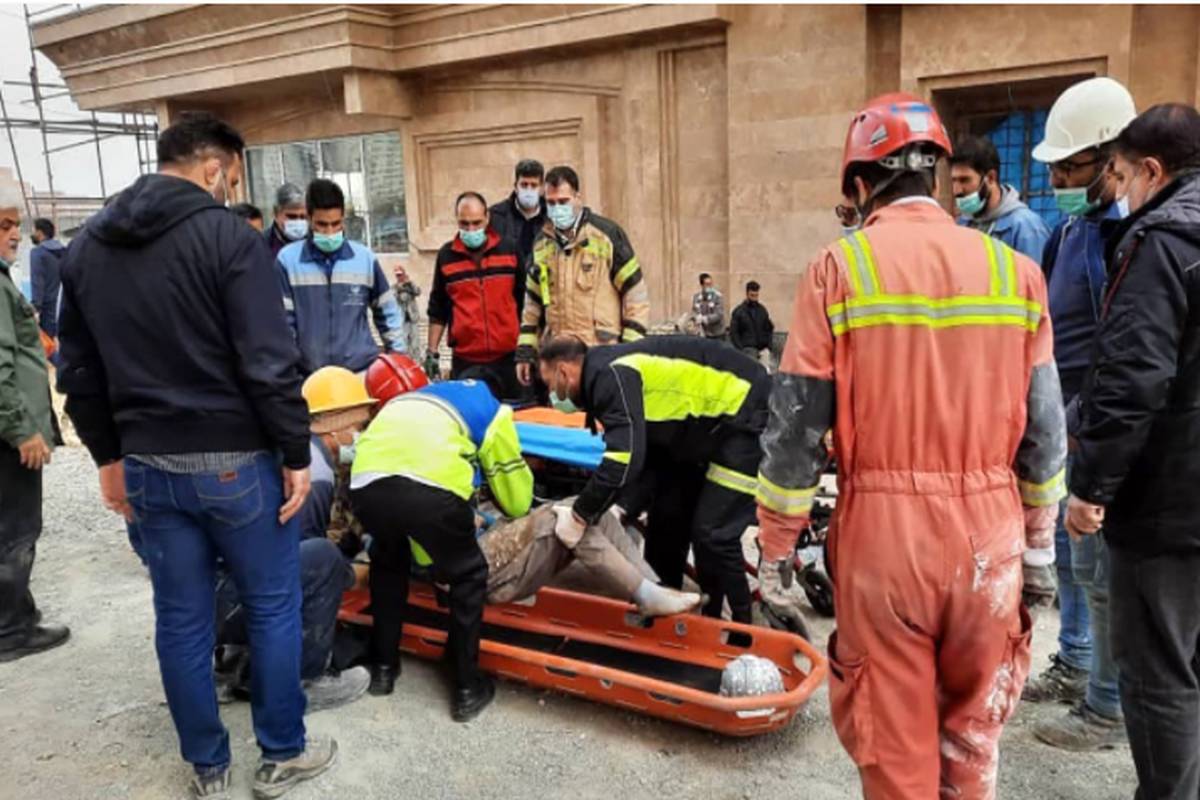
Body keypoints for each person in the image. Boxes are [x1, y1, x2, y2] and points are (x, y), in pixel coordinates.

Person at [756, 93, 1066, 797]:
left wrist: (776, 549)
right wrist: (1039, 548)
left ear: (861, 183)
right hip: (989, 538)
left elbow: (797, 428)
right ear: (935, 175)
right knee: (973, 742)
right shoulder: (1014, 272)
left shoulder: (838, 269)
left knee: (895, 749)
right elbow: (1046, 430)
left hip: (886, 542)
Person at [56, 111, 336, 799]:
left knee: (181, 619)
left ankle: (208, 766)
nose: (231, 188)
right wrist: (295, 450)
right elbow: (268, 362)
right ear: (214, 168)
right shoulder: (229, 240)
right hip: (237, 462)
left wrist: (106, 457)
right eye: (233, 177)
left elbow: (79, 371)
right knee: (271, 606)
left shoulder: (88, 247)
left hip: (148, 465)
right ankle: (282, 752)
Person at [1066, 103, 1200, 800]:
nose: (1116, 189)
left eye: (1118, 174)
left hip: (1168, 503)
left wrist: (1091, 487)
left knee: (1157, 675)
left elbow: (1132, 378)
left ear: (1152, 169)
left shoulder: (1163, 242)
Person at [1023, 76, 1136, 752]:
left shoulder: (1130, 238)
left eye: (1069, 166)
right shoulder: (1071, 230)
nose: (1059, 179)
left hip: (1098, 422)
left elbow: (1123, 347)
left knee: (1102, 571)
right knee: (1070, 557)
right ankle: (1075, 662)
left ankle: (1107, 706)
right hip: (1066, 419)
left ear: (1110, 157)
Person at [536, 335, 771, 625]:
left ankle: (741, 626)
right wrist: (622, 506)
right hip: (698, 434)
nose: (552, 394)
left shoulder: (610, 376)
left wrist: (580, 514)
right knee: (666, 518)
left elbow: (624, 458)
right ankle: (666, 606)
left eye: (549, 384)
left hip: (745, 415)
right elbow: (649, 451)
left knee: (713, 533)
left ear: (563, 371)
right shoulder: (606, 373)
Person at [349, 357, 532, 720]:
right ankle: (466, 687)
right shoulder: (492, 409)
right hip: (429, 491)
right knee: (468, 574)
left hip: (366, 483)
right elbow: (517, 500)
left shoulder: (416, 399)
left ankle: (383, 668)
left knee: (388, 561)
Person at [213, 366, 375, 713]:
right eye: (360, 426)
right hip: (231, 603)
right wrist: (353, 574)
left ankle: (234, 662)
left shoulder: (283, 445)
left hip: (209, 595)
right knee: (325, 561)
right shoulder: (314, 474)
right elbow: (296, 568)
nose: (361, 435)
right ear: (337, 424)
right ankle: (304, 679)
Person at [0, 185, 68, 664]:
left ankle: (18, 615)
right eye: (3, 225)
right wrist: (22, 428)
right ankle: (9, 629)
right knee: (16, 529)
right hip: (9, 435)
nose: (14, 235)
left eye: (16, 225)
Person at [515, 166, 650, 387]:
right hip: (560, 360)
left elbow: (635, 295)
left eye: (563, 201)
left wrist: (629, 349)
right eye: (551, 203)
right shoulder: (541, 245)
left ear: (578, 197)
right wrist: (525, 351)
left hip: (602, 356)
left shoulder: (606, 236)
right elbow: (532, 306)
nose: (557, 209)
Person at [276, 178, 408, 374]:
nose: (330, 232)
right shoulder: (288, 261)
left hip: (360, 374)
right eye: (322, 224)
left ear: (343, 219)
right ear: (309, 218)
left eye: (335, 223)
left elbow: (388, 312)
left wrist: (399, 360)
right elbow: (284, 326)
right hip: (311, 378)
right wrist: (289, 374)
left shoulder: (364, 259)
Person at [426, 192, 522, 400]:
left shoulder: (510, 250)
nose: (471, 230)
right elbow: (438, 309)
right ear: (457, 220)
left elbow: (525, 303)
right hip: (466, 361)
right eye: (464, 224)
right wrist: (432, 352)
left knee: (515, 413)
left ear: (487, 218)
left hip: (509, 359)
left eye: (476, 223)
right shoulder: (446, 256)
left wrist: (529, 348)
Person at [951, 134, 1052, 263]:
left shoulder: (1027, 229)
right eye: (953, 180)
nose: (957, 190)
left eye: (964, 180)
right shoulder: (962, 224)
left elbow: (1036, 275)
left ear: (991, 178)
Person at [489, 158, 547, 272]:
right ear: (516, 187)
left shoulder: (550, 216)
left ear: (541, 188)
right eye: (524, 185)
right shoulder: (496, 216)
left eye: (534, 185)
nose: (529, 190)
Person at [29, 218, 64, 340]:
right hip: (62, 307)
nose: (32, 234)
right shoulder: (64, 251)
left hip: (45, 310)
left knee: (45, 345)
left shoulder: (37, 253)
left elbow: (37, 281)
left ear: (39, 233)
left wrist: (36, 309)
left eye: (33, 231)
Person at [729, 280, 774, 366]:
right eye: (752, 295)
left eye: (756, 295)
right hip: (747, 349)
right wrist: (740, 349)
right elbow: (734, 333)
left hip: (763, 348)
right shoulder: (739, 312)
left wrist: (769, 346)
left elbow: (768, 328)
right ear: (747, 294)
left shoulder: (762, 310)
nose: (754, 298)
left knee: (764, 371)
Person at [266, 182, 308, 257]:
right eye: (292, 217)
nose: (298, 222)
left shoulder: (315, 241)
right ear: (276, 214)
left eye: (303, 217)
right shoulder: (262, 243)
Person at [391, 263, 422, 357]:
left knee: (415, 343)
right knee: (403, 342)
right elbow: (393, 297)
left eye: (400, 274)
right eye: (397, 275)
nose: (399, 277)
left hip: (412, 318)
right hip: (402, 319)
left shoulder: (410, 285)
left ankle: (416, 361)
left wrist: (410, 283)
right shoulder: (394, 287)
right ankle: (406, 360)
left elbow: (418, 292)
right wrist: (400, 288)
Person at [690, 273, 726, 340]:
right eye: (707, 284)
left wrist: (706, 319)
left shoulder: (717, 296)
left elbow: (719, 314)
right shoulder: (697, 297)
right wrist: (696, 317)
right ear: (702, 285)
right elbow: (694, 311)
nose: (710, 286)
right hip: (703, 333)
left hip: (717, 333)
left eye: (711, 284)